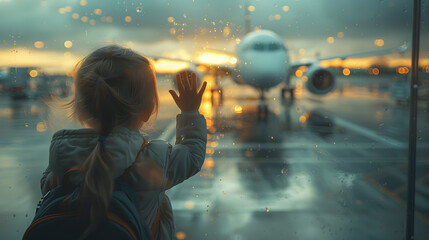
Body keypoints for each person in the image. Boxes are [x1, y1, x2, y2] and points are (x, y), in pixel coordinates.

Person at [39, 45, 208, 239]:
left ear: (81, 109)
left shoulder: (61, 161)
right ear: (148, 109)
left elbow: (47, 189)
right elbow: (192, 154)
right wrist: (189, 112)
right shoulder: (153, 160)